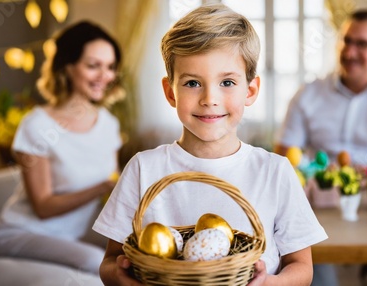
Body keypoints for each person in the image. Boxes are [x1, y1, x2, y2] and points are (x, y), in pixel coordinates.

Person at [93, 3, 328, 286]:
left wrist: (269, 284)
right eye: (192, 83)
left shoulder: (275, 171)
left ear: (250, 91)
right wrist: (120, 277)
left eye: (227, 82)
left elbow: (302, 267)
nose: (209, 99)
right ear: (170, 92)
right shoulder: (143, 168)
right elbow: (109, 262)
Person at [274, 9, 367, 286]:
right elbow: (282, 160)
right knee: (313, 274)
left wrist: (366, 176)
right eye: (346, 40)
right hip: (317, 207)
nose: (350, 51)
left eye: (362, 44)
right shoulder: (307, 95)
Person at [0, 20, 124, 274]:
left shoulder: (110, 125)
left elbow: (112, 197)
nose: (104, 76)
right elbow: (43, 207)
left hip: (71, 236)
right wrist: (104, 186)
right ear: (68, 67)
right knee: (97, 262)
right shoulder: (37, 125)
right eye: (93, 66)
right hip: (20, 232)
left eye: (110, 67)